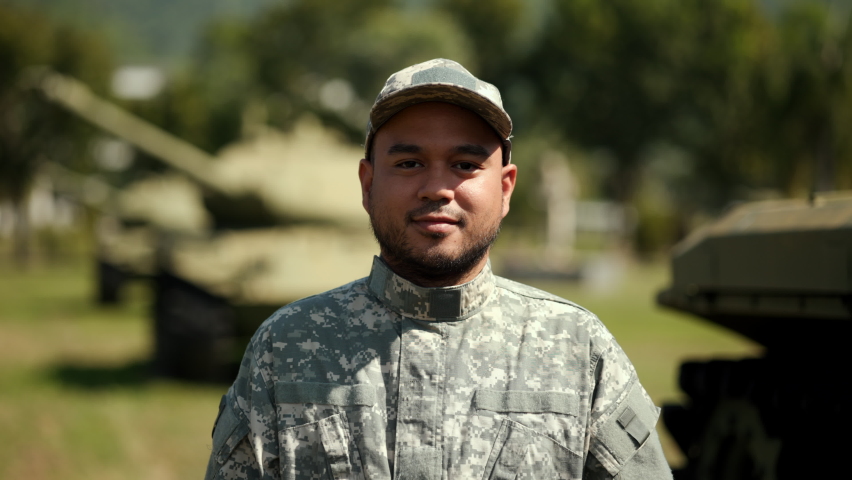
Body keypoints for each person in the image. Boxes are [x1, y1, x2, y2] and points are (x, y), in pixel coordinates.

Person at [205, 58, 672, 480]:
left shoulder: (578, 349)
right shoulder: (284, 347)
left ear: (506, 189)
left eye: (465, 164)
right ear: (368, 184)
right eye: (409, 163)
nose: (437, 188)